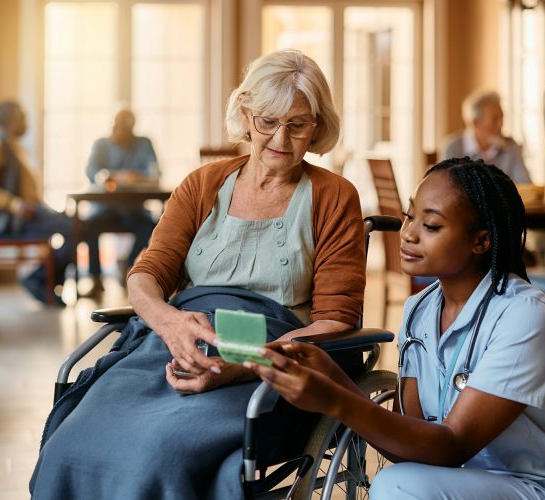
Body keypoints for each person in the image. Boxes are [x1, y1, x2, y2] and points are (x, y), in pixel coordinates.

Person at [30, 49, 366, 499]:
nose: (280, 140)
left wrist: (244, 363)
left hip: (272, 362)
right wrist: (169, 323)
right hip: (177, 340)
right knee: (70, 444)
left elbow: (336, 323)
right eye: (267, 121)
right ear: (246, 117)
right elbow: (145, 275)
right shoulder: (202, 184)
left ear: (317, 127)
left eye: (297, 125)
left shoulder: (333, 196)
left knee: (161, 454)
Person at [246, 158, 545, 499]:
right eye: (408, 217)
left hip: (544, 488)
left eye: (432, 225)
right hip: (461, 482)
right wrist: (334, 379)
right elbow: (411, 448)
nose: (408, 233)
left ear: (481, 241)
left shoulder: (526, 318)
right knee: (402, 479)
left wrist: (336, 401)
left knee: (397, 486)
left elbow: (452, 445)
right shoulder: (420, 310)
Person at [0, 100, 74, 306]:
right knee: (75, 228)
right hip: (12, 222)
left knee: (73, 224)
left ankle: (45, 282)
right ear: (12, 121)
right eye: (23, 117)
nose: (26, 122)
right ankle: (38, 281)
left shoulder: (11, 144)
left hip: (30, 214)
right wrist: (14, 204)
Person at [83, 107, 159, 294]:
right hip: (104, 209)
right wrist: (108, 176)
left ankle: (127, 264)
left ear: (132, 129)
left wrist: (135, 177)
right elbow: (91, 173)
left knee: (152, 227)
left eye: (124, 129)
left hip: (133, 209)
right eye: (116, 127)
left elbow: (155, 173)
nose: (118, 132)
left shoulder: (143, 143)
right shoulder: (100, 144)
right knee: (87, 227)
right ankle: (95, 278)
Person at [441, 90, 532, 184]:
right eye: (494, 119)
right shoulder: (452, 148)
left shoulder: (511, 146)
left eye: (502, 118)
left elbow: (525, 185)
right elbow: (447, 190)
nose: (501, 124)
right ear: (475, 123)